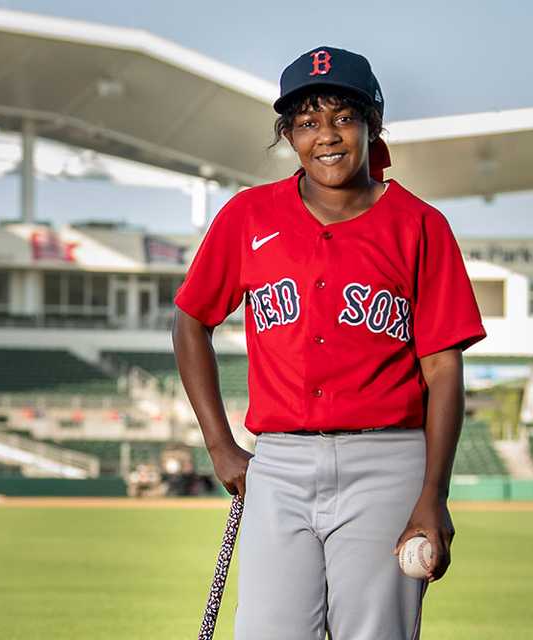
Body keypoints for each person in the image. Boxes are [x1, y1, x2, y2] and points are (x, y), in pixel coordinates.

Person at [172, 46, 485, 640]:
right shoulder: (248, 216)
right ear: (289, 135)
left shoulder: (420, 225)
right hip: (280, 461)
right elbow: (190, 320)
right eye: (308, 122)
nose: (327, 136)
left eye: (343, 117)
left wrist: (433, 496)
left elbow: (443, 372)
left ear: (373, 124)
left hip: (387, 462)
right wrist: (218, 443)